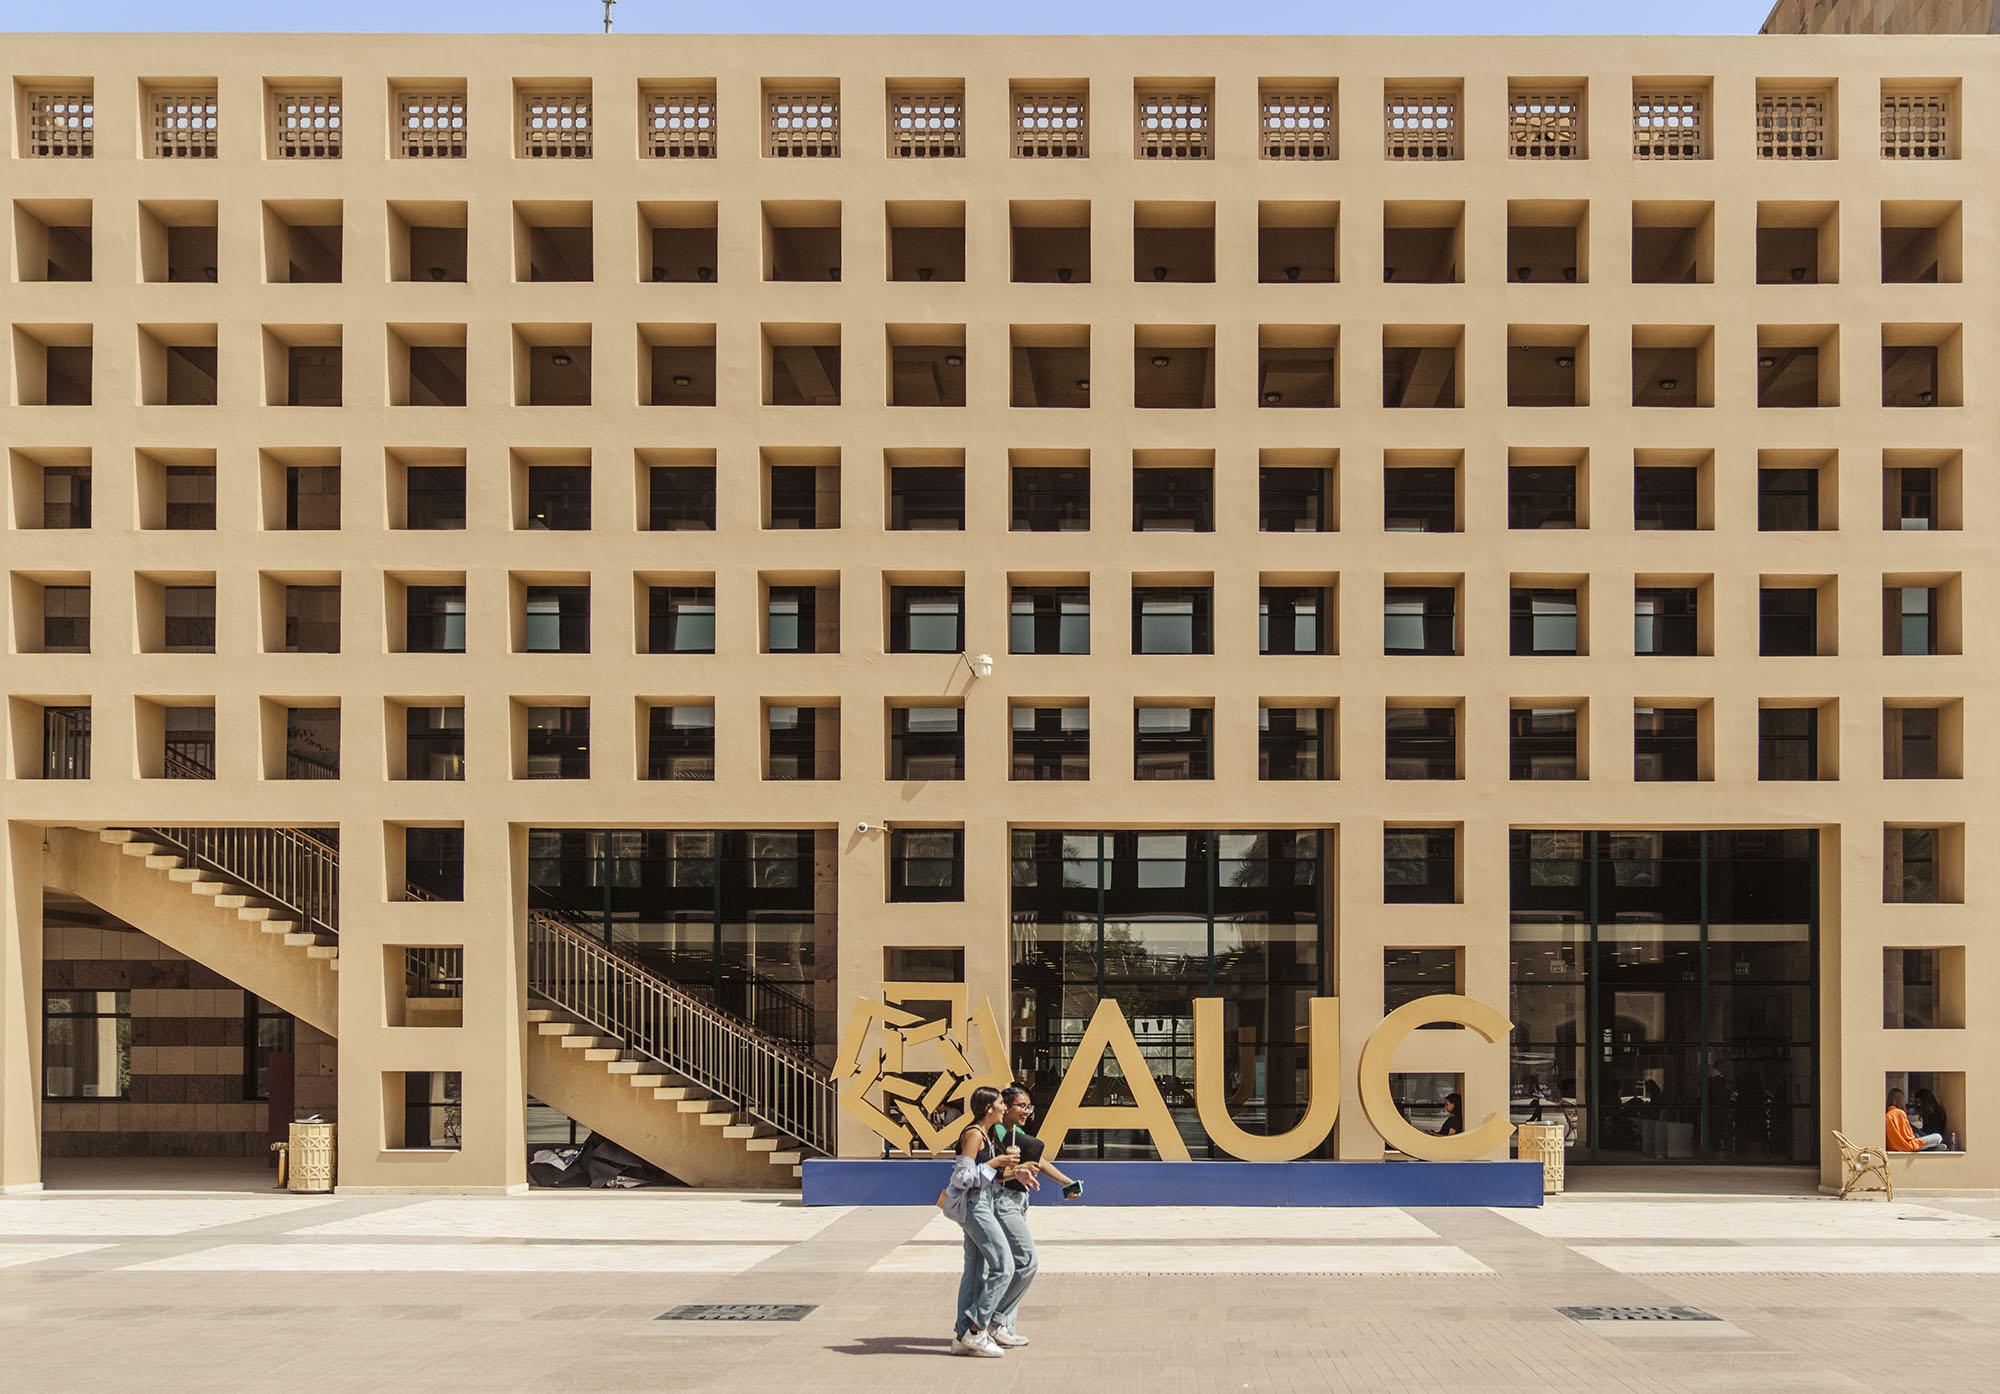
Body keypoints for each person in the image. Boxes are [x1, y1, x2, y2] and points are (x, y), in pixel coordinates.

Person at [943, 1086, 1038, 1357]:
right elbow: (962, 1178)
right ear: (988, 1108)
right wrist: (995, 1162)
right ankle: (978, 1329)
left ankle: (962, 1336)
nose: (1004, 1107)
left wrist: (1016, 1172)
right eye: (999, 1102)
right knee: (1004, 1265)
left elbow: (988, 1176)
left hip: (983, 1200)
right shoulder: (973, 1134)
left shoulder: (985, 1135)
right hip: (976, 1205)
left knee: (975, 1272)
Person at [986, 1084, 1082, 1348]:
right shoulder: (999, 1132)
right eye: (1021, 1106)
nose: (1027, 1111)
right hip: (1002, 1201)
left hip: (1019, 1201)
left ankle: (1004, 1327)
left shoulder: (1016, 1132)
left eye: (1029, 1106)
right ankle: (993, 1320)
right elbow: (1029, 1154)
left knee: (1016, 1265)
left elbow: (1039, 1160)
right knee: (1026, 1262)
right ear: (1004, 1106)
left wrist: (1066, 1182)